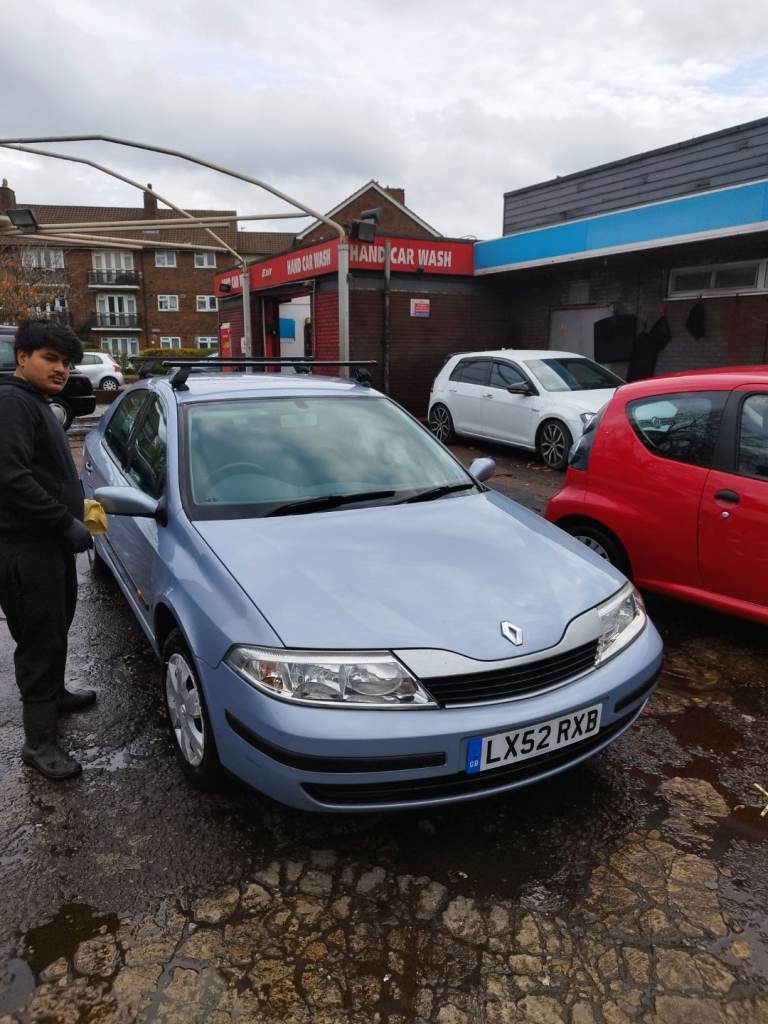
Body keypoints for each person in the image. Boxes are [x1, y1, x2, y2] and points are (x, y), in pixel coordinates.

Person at [0, 319, 96, 781]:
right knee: (39, 640)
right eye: (50, 358)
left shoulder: (37, 402)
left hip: (49, 543)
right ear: (22, 357)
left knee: (56, 626)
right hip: (25, 548)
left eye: (67, 361)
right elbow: (9, 477)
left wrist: (77, 505)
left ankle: (55, 694)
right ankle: (38, 744)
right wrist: (63, 521)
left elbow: (41, 472)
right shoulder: (11, 404)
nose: (61, 368)